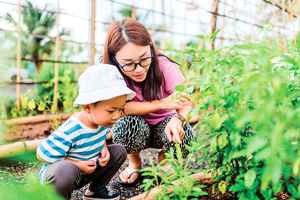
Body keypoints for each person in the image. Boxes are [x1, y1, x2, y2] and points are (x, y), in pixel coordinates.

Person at [102, 18, 194, 185]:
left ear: (151, 47)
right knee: (124, 127)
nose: (139, 69)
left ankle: (165, 161)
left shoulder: (165, 66)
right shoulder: (111, 74)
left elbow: (187, 101)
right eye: (128, 64)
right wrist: (160, 103)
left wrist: (178, 119)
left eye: (144, 59)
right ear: (115, 60)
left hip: (165, 127)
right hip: (137, 127)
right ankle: (135, 163)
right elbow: (119, 108)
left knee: (186, 134)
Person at [36, 64, 135, 200]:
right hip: (60, 177)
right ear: (88, 107)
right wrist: (77, 165)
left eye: (121, 109)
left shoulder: (102, 121)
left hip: (83, 172)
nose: (117, 115)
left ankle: (95, 191)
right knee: (66, 170)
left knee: (119, 151)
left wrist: (103, 148)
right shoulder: (72, 129)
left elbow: (99, 137)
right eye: (112, 110)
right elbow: (42, 154)